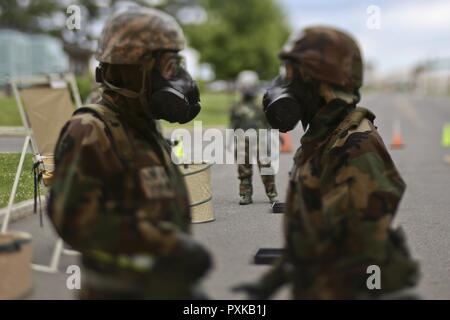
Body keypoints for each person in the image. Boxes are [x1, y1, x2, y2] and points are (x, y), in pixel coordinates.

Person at [236, 26, 420, 299]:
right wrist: (273, 281)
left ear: (316, 78)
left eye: (289, 72)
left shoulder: (354, 146)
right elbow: (313, 236)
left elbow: (363, 254)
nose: (281, 83)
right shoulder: (323, 139)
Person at [47, 8, 211, 299]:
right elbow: (74, 221)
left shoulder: (140, 125)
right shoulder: (90, 130)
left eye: (177, 64)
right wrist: (168, 244)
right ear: (134, 69)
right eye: (169, 65)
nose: (179, 77)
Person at [229, 70, 278, 205]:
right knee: (243, 170)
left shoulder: (262, 102)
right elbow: (233, 124)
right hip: (242, 141)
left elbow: (269, 121)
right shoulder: (236, 106)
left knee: (266, 168)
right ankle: (246, 195)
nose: (247, 89)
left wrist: (273, 136)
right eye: (244, 86)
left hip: (260, 139)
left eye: (249, 85)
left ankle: (272, 194)